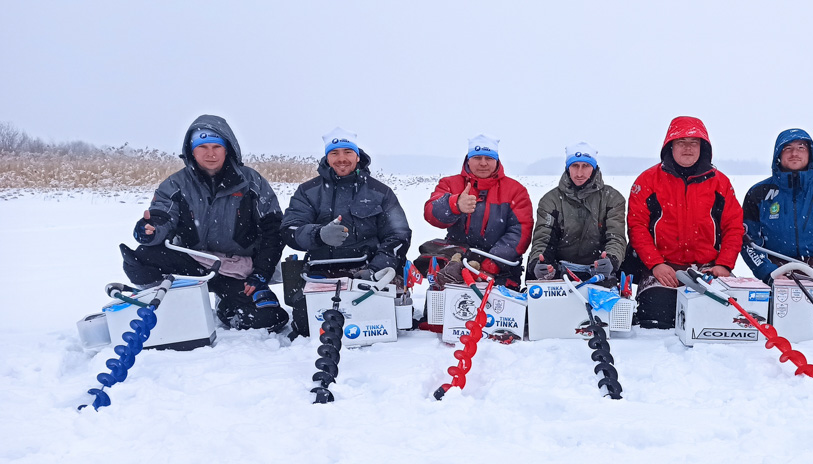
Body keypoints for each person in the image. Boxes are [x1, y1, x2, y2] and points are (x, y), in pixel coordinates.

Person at [120, 114, 288, 331]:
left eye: (216, 146)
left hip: (239, 269)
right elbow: (161, 217)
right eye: (203, 147)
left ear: (227, 149)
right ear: (192, 150)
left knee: (270, 320)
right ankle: (174, 307)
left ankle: (227, 301)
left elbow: (273, 230)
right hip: (193, 264)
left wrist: (261, 273)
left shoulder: (252, 182)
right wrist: (150, 231)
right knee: (141, 258)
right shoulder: (175, 184)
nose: (210, 153)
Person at [279, 128, 412, 336]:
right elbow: (290, 229)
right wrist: (318, 234)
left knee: (384, 320)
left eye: (347, 152)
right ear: (327, 157)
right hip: (322, 273)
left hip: (369, 272)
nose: (342, 159)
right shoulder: (307, 192)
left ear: (357, 156)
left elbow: (399, 234)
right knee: (307, 326)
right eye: (335, 153)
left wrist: (377, 268)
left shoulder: (381, 192)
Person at [626, 116, 744, 328]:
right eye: (681, 142)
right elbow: (637, 227)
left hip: (707, 268)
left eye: (694, 143)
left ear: (703, 147)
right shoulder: (647, 181)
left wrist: (724, 265)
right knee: (655, 315)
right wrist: (655, 264)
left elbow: (733, 227)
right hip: (664, 268)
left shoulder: (721, 183)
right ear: (670, 146)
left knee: (719, 315)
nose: (687, 148)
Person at [741, 128, 813, 327]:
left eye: (801, 148)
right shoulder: (758, 193)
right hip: (777, 272)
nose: (794, 153)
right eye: (787, 148)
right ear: (778, 155)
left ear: (810, 153)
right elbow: (747, 241)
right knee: (770, 320)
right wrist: (769, 273)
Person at [420, 134, 533, 289]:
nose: (483, 163)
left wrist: (490, 265)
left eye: (489, 158)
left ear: (497, 160)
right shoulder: (449, 184)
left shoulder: (516, 191)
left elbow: (520, 232)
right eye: (477, 157)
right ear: (468, 159)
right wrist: (455, 204)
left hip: (500, 271)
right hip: (454, 264)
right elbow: (431, 213)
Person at [526, 142, 627, 287]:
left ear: (594, 167)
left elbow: (616, 237)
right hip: (559, 269)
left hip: (599, 269)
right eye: (575, 166)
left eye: (585, 166)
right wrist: (538, 262)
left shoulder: (612, 199)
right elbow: (543, 239)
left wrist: (611, 259)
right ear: (567, 168)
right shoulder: (550, 200)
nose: (579, 173)